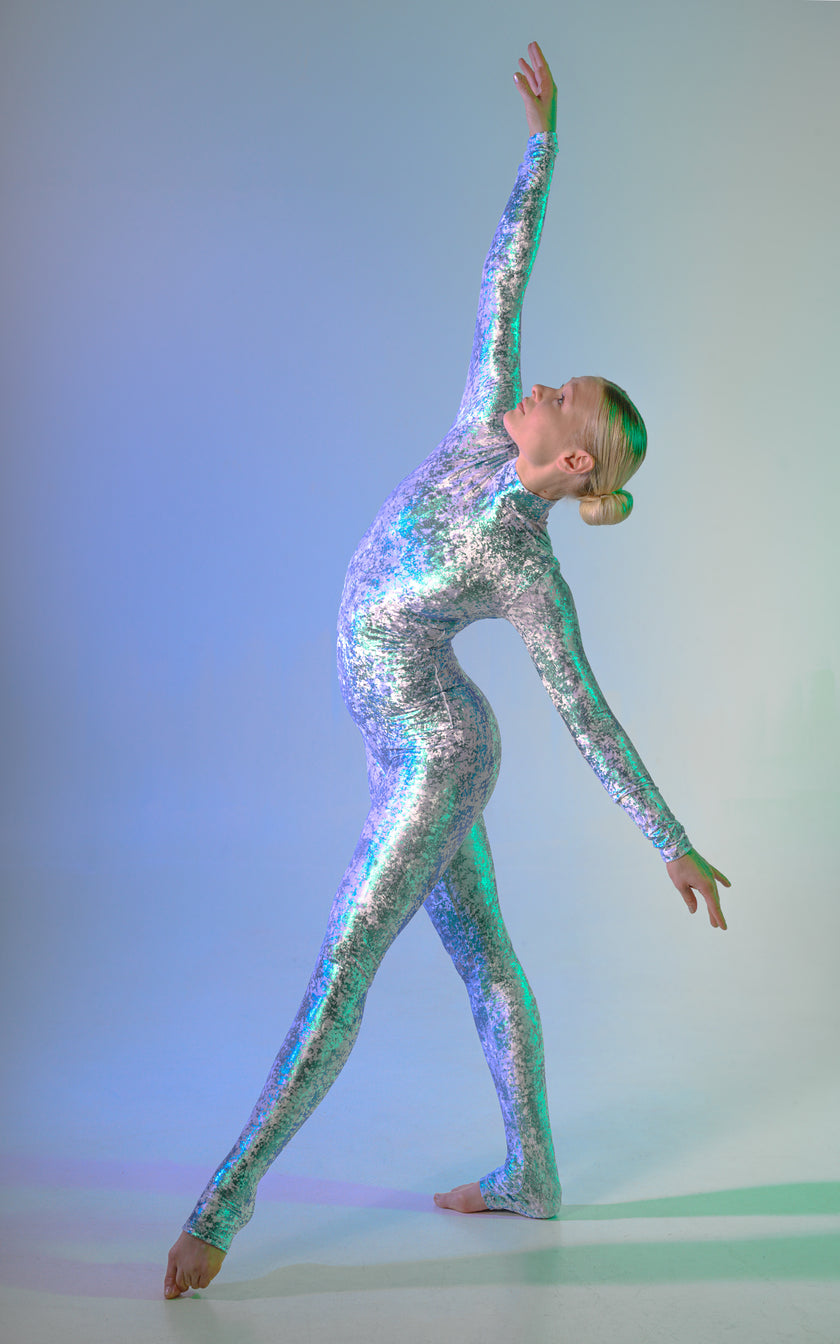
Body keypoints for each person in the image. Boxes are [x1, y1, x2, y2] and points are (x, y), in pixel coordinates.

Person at [164, 41, 729, 1299]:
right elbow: (501, 281)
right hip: (406, 740)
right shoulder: (483, 420)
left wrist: (670, 841)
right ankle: (533, 1175)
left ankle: (220, 1206)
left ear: (574, 464)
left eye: (563, 396)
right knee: (484, 961)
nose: (542, 382)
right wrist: (544, 146)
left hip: (436, 754)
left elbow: (588, 714)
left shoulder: (526, 567)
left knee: (346, 956)